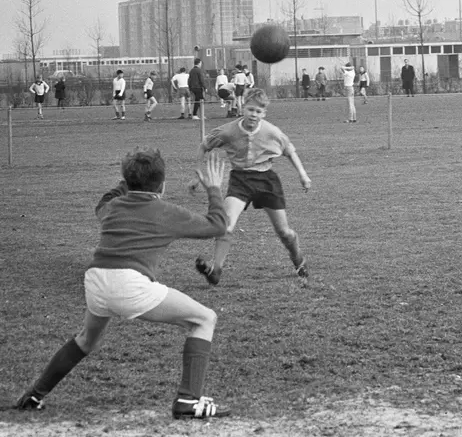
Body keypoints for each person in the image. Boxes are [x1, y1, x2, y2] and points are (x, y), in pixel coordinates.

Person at [14, 148, 231, 420]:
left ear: (126, 183)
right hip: (129, 284)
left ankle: (34, 394)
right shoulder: (165, 211)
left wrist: (127, 179)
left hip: (96, 280)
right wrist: (214, 188)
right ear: (162, 185)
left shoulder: (113, 208)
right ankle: (188, 400)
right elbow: (218, 226)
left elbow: (104, 202)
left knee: (86, 340)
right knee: (204, 319)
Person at [190, 88, 312, 285]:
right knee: (226, 225)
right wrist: (197, 175)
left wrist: (303, 175)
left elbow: (290, 151)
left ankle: (299, 260)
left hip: (267, 180)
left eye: (258, 111)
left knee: (285, 233)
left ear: (264, 113)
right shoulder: (228, 131)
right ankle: (216, 271)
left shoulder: (271, 131)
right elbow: (204, 146)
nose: (253, 115)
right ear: (242, 107)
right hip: (240, 180)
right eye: (250, 109)